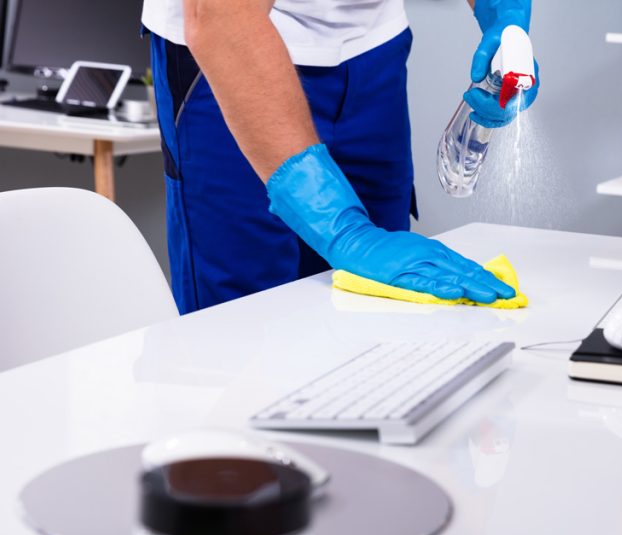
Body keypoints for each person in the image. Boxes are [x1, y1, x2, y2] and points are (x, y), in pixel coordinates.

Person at [141, 0, 539, 314]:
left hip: (372, 50)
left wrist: (504, 14)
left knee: (381, 311)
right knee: (242, 330)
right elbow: (220, 16)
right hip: (233, 48)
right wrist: (343, 229)